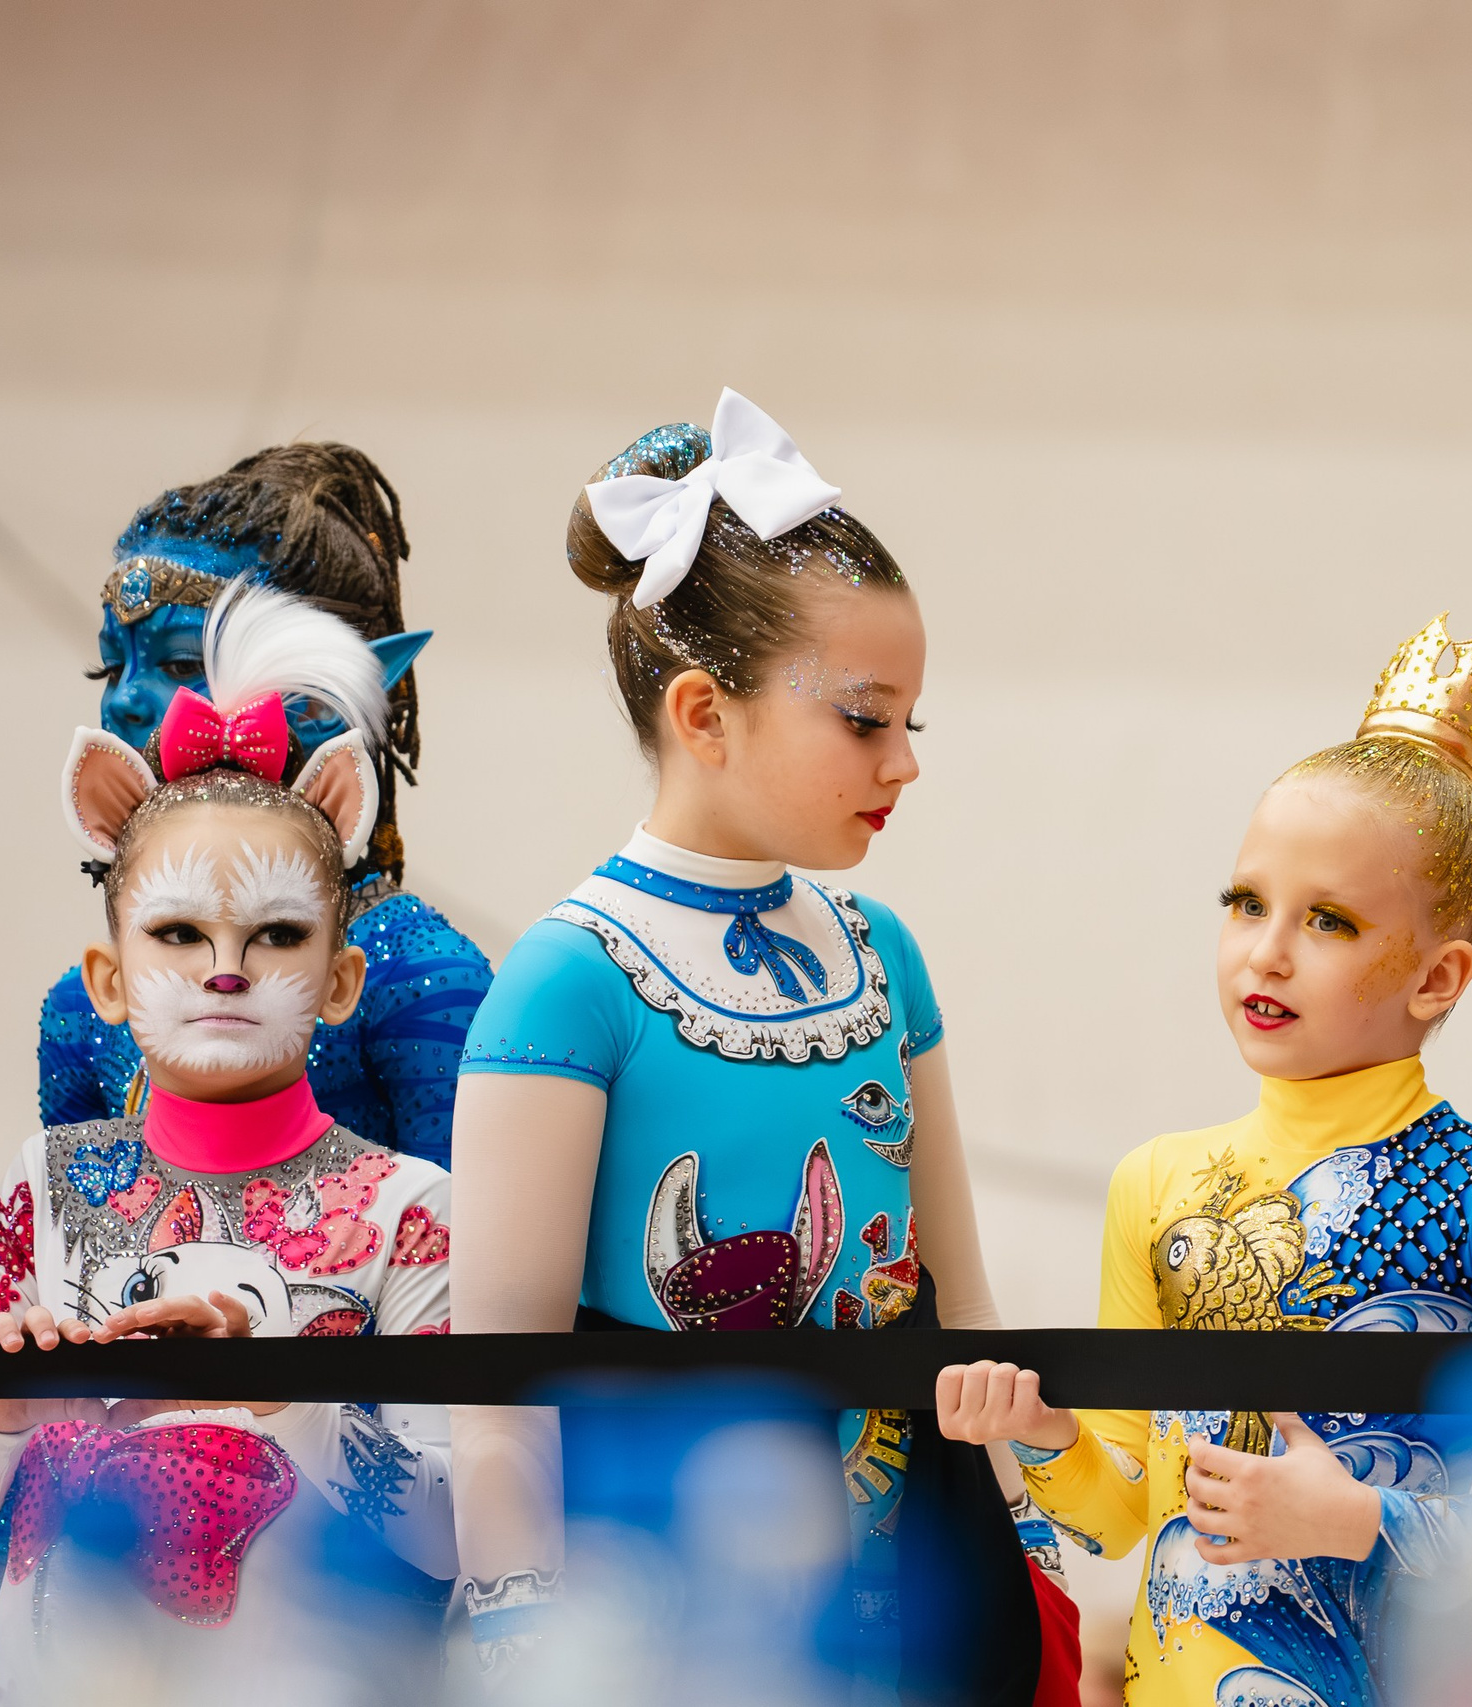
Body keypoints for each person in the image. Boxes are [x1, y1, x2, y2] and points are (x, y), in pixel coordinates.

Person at [444, 391, 1063, 1702]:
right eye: (862, 718)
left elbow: (963, 1307)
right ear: (703, 713)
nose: (903, 763)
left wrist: (1043, 1539)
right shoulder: (567, 981)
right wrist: (523, 1641)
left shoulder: (880, 951)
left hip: (905, 1568)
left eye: (913, 724)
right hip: (658, 1594)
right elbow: (496, 1382)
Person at [937, 615, 1472, 1707]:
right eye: (1245, 903)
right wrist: (1039, 1432)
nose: (1265, 950)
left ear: (1438, 976)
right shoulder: (1158, 1185)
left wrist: (1357, 1518)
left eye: (1326, 921)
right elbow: (1119, 1514)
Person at [0, 585, 456, 1706]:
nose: (224, 968)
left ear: (342, 980)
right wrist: (1, 1408)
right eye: (176, 933)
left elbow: (459, 1531)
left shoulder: (410, 1205)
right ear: (106, 980)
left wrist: (277, 1393)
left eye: (279, 935)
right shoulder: (48, 1186)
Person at [42, 443, 492, 1170]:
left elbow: (467, 1268)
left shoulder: (416, 977)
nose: (122, 697)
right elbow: (57, 1247)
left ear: (318, 700)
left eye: (182, 661)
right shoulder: (82, 1005)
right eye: (111, 664)